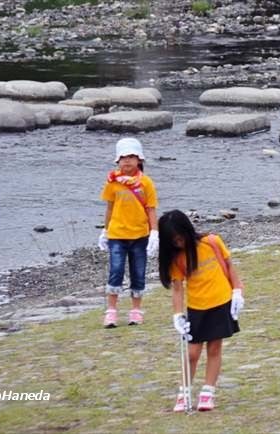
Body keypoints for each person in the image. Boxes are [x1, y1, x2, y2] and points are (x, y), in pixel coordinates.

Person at [158, 209, 245, 412]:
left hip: (220, 301)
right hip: (197, 307)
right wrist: (178, 314)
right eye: (174, 241)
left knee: (214, 348)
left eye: (180, 238)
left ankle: (208, 392)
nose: (179, 243)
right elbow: (178, 288)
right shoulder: (176, 258)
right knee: (192, 353)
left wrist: (238, 291)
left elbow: (229, 266)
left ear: (188, 230)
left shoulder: (212, 242)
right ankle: (184, 391)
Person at [98, 138, 159, 328]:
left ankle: (135, 311)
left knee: (138, 273)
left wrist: (154, 232)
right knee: (115, 271)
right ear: (117, 160)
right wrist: (105, 230)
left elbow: (151, 209)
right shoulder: (112, 182)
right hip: (117, 234)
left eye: (131, 157)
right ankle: (111, 311)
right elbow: (109, 208)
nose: (127, 161)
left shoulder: (146, 183)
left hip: (140, 235)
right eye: (123, 157)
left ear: (139, 160)